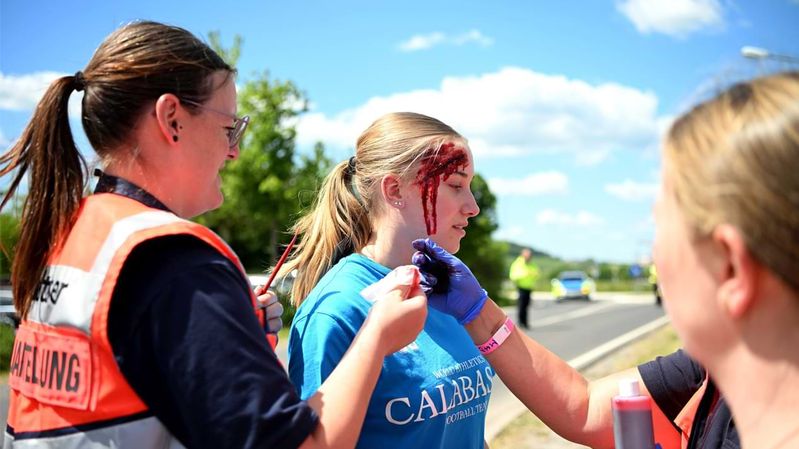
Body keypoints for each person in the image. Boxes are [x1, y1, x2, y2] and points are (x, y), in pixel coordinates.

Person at [0, 21, 427, 449]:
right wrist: (375, 337)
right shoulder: (173, 261)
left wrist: (225, 327)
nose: (235, 150)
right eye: (229, 129)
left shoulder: (73, 232)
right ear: (172, 120)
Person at [411, 72, 799, 449]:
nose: (653, 256)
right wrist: (479, 312)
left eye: (662, 228)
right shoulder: (718, 371)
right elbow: (585, 408)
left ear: (730, 269)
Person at [276, 112, 490, 449]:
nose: (473, 206)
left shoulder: (446, 288)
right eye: (455, 185)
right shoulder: (337, 309)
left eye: (470, 187)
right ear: (394, 190)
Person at [508, 248, 539, 328]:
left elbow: (536, 272)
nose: (529, 257)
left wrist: (534, 274)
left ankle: (525, 322)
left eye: (530, 256)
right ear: (523, 255)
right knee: (521, 306)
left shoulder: (532, 264)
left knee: (526, 305)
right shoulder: (517, 264)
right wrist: (525, 274)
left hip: (529, 287)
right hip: (521, 287)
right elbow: (513, 276)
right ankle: (520, 323)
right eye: (527, 255)